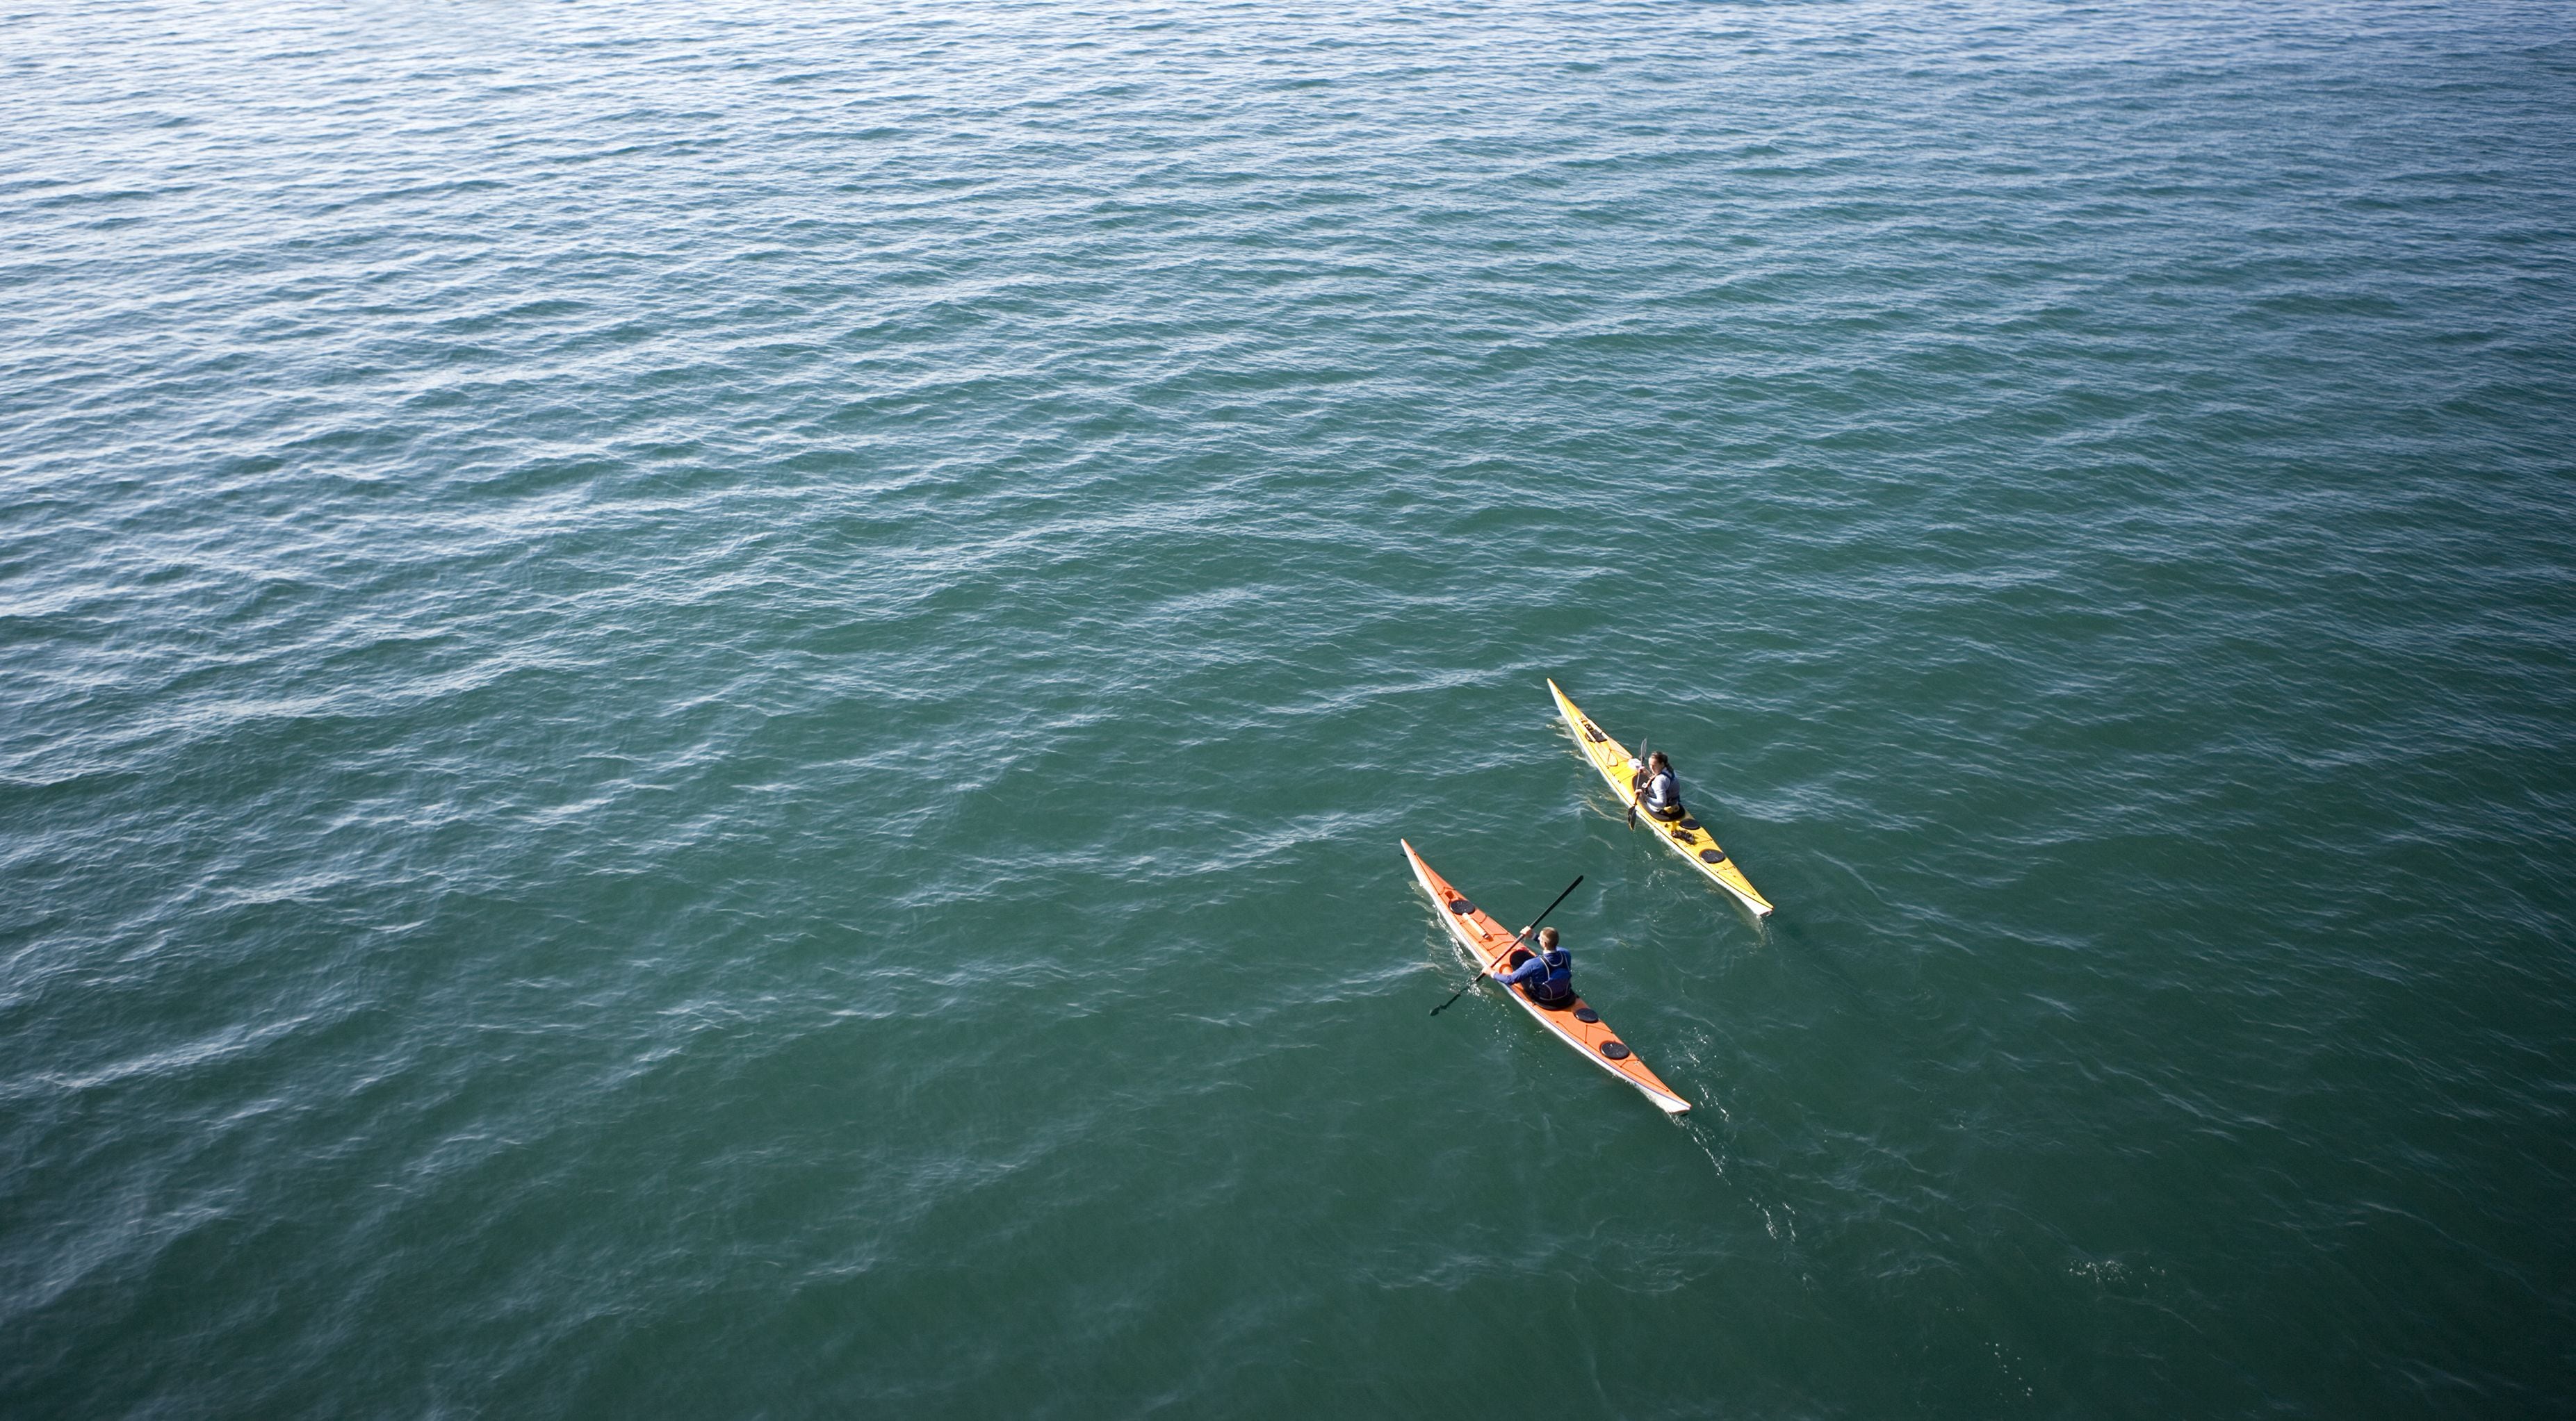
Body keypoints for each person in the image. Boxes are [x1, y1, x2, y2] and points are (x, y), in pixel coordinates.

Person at [1492, 926, 1574, 1008]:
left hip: (1544, 1001)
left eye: (1540, 939)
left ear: (1544, 944)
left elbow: (1510, 980)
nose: (1539, 939)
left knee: (1516, 957)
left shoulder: (1533, 964)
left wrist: (1492, 973)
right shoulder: (1566, 953)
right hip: (1566, 997)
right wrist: (1533, 936)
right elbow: (1552, 945)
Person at [1632, 750, 1684, 822]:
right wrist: (1648, 774)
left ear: (1662, 764)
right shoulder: (1671, 771)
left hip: (1658, 808)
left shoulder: (1659, 781)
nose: (1651, 768)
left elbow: (1661, 804)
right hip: (1674, 803)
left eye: (1654, 765)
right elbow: (1664, 783)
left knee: (1640, 796)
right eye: (1650, 765)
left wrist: (1644, 797)